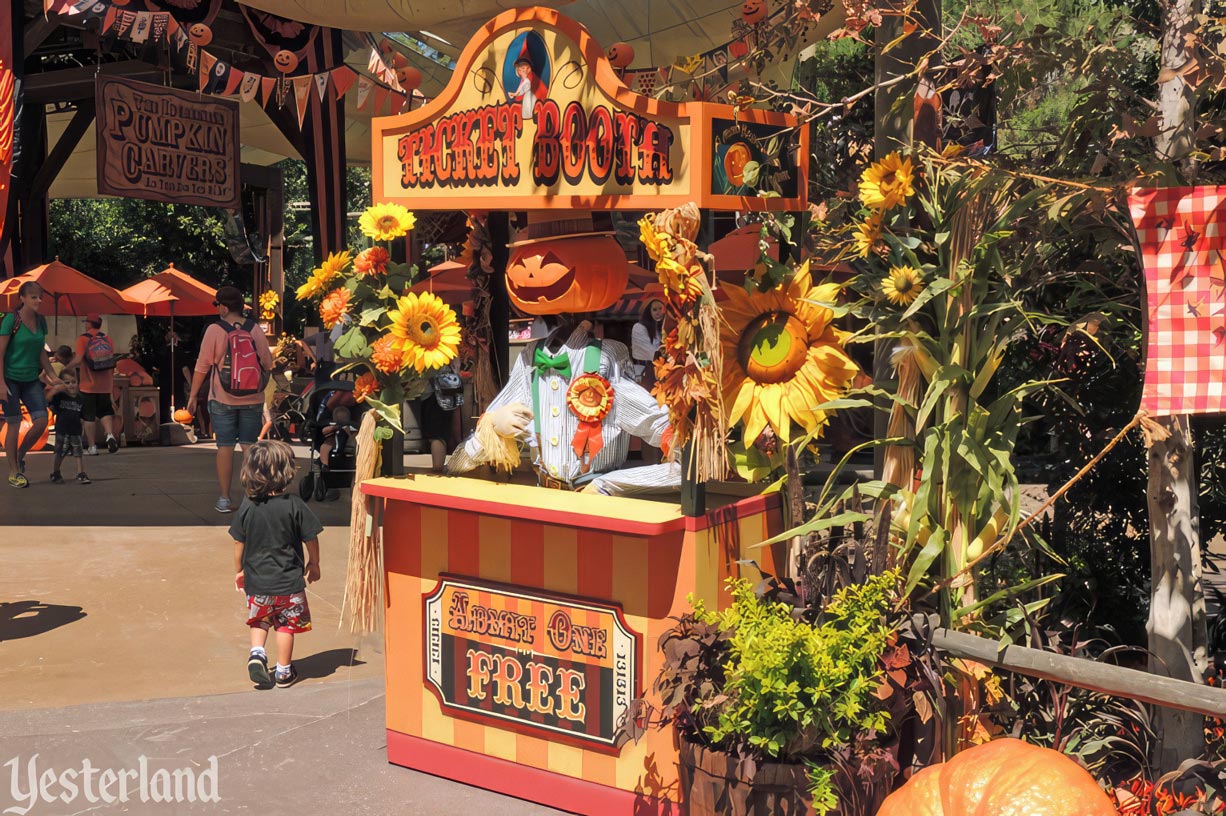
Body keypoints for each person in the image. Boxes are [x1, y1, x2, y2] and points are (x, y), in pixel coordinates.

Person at [446, 317, 679, 496]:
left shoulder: (603, 362)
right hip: (544, 502)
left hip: (600, 513)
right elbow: (456, 466)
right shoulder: (529, 362)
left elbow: (687, 458)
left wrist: (609, 484)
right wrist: (493, 425)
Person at [230, 439, 323, 689]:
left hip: (257, 581)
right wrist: (314, 564)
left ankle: (257, 652)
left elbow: (239, 541)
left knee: (260, 620)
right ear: (287, 472)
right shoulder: (294, 505)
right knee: (286, 626)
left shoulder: (248, 506)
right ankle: (283, 671)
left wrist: (239, 570)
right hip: (288, 583)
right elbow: (310, 538)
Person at [185, 286, 274, 514]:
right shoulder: (254, 329)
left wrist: (193, 396)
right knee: (249, 446)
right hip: (253, 398)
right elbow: (267, 363)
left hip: (222, 399)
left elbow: (202, 366)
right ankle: (253, 496)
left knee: (224, 447)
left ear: (223, 307)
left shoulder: (214, 330)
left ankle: (224, 498)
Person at [0, 282, 62, 488]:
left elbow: (40, 352)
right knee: (14, 422)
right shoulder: (11, 320)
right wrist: (0, 382)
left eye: (40, 297)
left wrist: (53, 376)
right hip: (9, 378)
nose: (38, 300)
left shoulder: (40, 321)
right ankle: (13, 472)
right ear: (22, 299)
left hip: (30, 379)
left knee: (42, 420)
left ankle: (19, 455)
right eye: (33, 297)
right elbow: (0, 353)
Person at [67, 313, 119, 456]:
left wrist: (66, 367)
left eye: (86, 322)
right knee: (105, 412)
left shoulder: (83, 339)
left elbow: (78, 360)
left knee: (88, 416)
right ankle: (109, 435)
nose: (85, 324)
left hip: (88, 385)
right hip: (105, 384)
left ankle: (92, 446)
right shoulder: (107, 339)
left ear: (89, 324)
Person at [45, 370, 89, 485]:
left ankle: (81, 473)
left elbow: (83, 416)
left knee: (78, 452)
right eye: (67, 382)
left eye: (73, 382)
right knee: (61, 452)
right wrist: (55, 390)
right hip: (62, 429)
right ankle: (56, 472)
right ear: (62, 384)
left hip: (76, 430)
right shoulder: (60, 397)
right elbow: (47, 400)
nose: (71, 385)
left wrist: (83, 428)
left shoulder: (81, 398)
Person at [418, 362, 463, 473]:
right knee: (443, 432)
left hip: (431, 393)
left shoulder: (430, 353)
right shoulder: (450, 351)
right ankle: (440, 465)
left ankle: (437, 467)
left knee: (436, 435)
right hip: (448, 389)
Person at [630, 298, 664, 387]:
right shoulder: (639, 327)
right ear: (648, 312)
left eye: (660, 309)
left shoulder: (658, 329)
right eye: (654, 310)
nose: (658, 312)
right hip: (644, 371)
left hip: (658, 370)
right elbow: (652, 353)